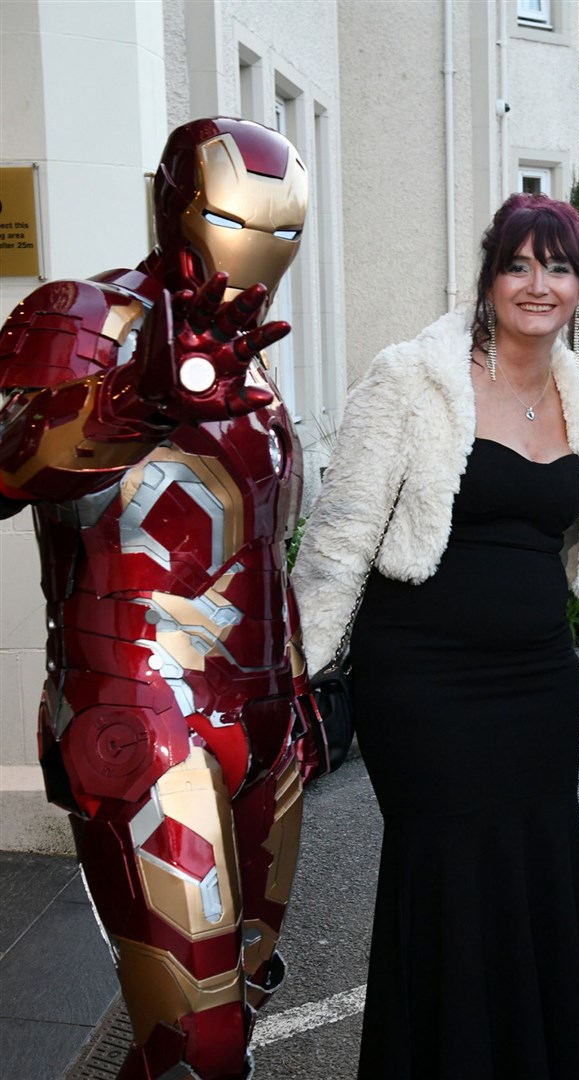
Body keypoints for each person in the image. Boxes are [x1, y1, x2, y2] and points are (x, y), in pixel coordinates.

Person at [0, 118, 310, 1079]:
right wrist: (128, 406)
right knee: (194, 1036)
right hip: (138, 712)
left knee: (244, 994)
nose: (259, 249)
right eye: (233, 220)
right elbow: (12, 467)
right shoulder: (86, 318)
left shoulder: (245, 353)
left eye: (285, 230)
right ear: (177, 205)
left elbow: (259, 549)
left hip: (260, 719)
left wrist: (296, 694)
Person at [292, 192, 579, 1079]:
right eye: (518, 263)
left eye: (557, 266)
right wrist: (297, 675)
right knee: (447, 873)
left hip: (538, 682)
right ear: (488, 278)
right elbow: (339, 535)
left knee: (537, 863)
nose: (537, 284)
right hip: (425, 684)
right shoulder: (411, 378)